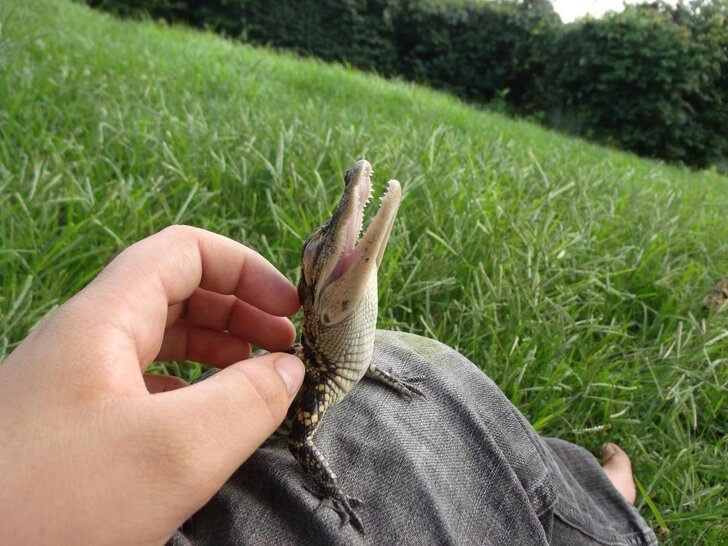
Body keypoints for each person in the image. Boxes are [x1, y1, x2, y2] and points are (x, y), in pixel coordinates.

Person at [0, 227, 657, 545]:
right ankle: (591, 509)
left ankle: (577, 500)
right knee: (428, 397)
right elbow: (304, 443)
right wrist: (335, 497)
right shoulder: (296, 384)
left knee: (409, 377)